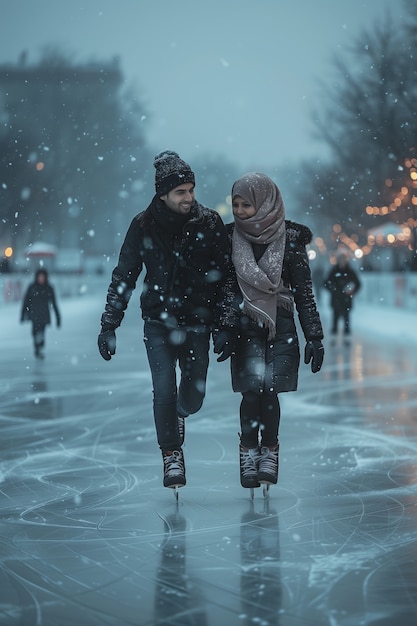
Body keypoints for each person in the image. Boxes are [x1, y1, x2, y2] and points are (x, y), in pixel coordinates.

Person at [97, 150, 237, 492]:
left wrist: (226, 323)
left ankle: (181, 413)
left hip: (197, 323)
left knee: (192, 396)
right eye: (181, 192)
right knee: (163, 389)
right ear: (163, 194)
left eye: (191, 189)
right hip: (158, 323)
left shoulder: (209, 223)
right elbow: (124, 275)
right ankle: (171, 453)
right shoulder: (142, 225)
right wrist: (109, 325)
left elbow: (227, 278)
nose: (189, 197)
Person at [226, 172, 324, 492]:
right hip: (245, 324)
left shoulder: (290, 239)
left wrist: (315, 337)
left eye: (246, 205)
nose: (240, 211)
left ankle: (269, 450)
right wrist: (225, 327)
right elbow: (226, 290)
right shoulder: (230, 239)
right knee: (251, 390)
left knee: (270, 388)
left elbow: (305, 292)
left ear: (265, 202)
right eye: (236, 205)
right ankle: (248, 450)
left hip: (281, 323)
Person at [20, 268, 61, 359]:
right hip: (34, 315)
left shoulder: (49, 288)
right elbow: (26, 301)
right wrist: (23, 314)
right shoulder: (32, 287)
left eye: (43, 277)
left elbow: (54, 303)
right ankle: (37, 348)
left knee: (41, 333)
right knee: (34, 333)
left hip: (44, 315)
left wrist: (58, 318)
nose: (41, 279)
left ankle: (39, 347)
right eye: (40, 277)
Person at [323, 250, 361, 345]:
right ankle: (334, 337)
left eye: (343, 259)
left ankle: (347, 338)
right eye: (340, 259)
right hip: (336, 300)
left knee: (346, 319)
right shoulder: (334, 271)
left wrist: (352, 291)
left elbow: (358, 284)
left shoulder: (350, 271)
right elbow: (325, 283)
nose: (342, 261)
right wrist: (333, 289)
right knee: (335, 318)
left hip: (346, 300)